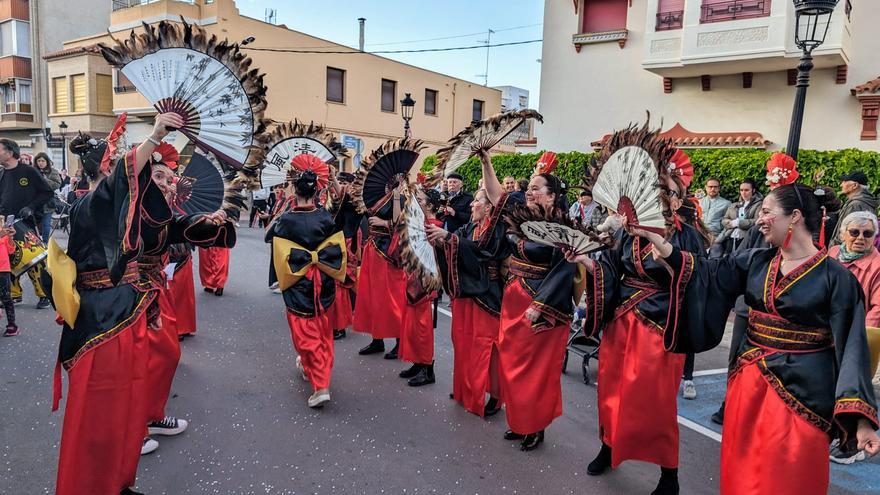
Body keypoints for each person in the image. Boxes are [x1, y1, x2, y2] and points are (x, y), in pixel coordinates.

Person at [637, 154, 880, 494]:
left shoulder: (837, 279)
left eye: (767, 212)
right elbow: (705, 272)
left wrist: (861, 421)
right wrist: (660, 242)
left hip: (804, 394)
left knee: (789, 477)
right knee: (743, 472)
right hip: (748, 386)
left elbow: (853, 348)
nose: (759, 219)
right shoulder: (756, 260)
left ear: (794, 216)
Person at [51, 112, 184, 495]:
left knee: (124, 410)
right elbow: (115, 186)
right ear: (108, 171)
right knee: (99, 415)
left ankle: (117, 482)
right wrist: (155, 136)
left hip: (123, 313)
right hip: (102, 322)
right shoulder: (92, 205)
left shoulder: (111, 209)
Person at [570, 141, 704, 495]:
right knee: (611, 391)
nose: (660, 198)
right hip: (622, 323)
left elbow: (698, 281)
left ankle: (669, 473)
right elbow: (611, 270)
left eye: (668, 193)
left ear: (677, 200)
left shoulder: (687, 237)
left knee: (655, 404)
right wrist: (588, 264)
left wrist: (671, 264)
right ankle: (609, 446)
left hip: (661, 329)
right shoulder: (627, 234)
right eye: (655, 190)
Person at [137, 147, 235, 454]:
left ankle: (151, 415)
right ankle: (131, 427)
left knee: (166, 352)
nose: (168, 183)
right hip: (125, 298)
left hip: (153, 288)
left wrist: (208, 221)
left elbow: (178, 226)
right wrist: (154, 136)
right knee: (134, 362)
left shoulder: (158, 213)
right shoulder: (122, 210)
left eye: (170, 178)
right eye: (159, 177)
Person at [484, 151, 578, 452]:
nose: (529, 191)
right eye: (529, 187)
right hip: (514, 297)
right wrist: (486, 161)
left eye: (536, 188)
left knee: (535, 369)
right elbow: (496, 195)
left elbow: (565, 269)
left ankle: (535, 425)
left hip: (541, 304)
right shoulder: (522, 216)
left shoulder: (563, 226)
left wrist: (540, 305)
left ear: (551, 196)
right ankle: (519, 419)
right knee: (511, 362)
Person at [428, 150, 510, 417]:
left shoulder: (496, 230)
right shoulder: (467, 229)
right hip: (466, 294)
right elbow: (458, 245)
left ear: (488, 208)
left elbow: (480, 251)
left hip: (487, 294)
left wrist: (449, 239)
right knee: (463, 344)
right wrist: (442, 242)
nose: (472, 205)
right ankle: (467, 389)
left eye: (476, 201)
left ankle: (493, 396)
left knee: (486, 348)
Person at [266, 165, 346, 408]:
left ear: (294, 189)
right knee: (322, 331)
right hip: (324, 281)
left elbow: (270, 237)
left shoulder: (287, 220)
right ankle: (309, 365)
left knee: (305, 334)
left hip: (299, 281)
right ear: (316, 191)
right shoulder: (325, 217)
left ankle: (321, 385)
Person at [827, 211, 880, 464]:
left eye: (868, 234)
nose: (860, 238)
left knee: (851, 390)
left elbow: (877, 310)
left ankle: (852, 446)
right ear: (843, 233)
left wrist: (857, 342)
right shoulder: (833, 254)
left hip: (855, 338)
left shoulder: (877, 266)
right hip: (826, 333)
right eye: (855, 232)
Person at [352, 177, 407, 359]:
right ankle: (377, 339)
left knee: (392, 297)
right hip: (372, 248)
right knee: (371, 296)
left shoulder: (402, 199)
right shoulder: (375, 197)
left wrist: (384, 222)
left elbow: (402, 225)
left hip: (388, 252)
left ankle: (400, 342)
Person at [397, 188, 442, 387]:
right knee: (414, 326)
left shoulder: (435, 227)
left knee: (424, 329)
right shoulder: (420, 223)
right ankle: (417, 362)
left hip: (427, 284)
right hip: (415, 280)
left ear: (430, 206)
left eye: (421, 200)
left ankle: (427, 368)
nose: (417, 202)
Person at [0, 138, 52, 309]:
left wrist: (31, 207)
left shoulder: (28, 171)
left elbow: (47, 192)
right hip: (6, 225)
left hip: (26, 223)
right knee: (10, 259)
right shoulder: (1, 173)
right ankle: (15, 293)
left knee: (33, 260)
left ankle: (44, 294)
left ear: (9, 152)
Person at [327, 171, 362, 340]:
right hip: (338, 240)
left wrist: (333, 180)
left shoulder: (357, 199)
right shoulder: (339, 198)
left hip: (349, 241)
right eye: (339, 182)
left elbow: (343, 194)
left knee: (340, 283)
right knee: (336, 284)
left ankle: (340, 325)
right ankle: (336, 323)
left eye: (343, 182)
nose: (340, 185)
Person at [712, 179, 762, 257]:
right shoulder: (734, 205)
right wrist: (730, 223)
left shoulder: (759, 204)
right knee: (726, 260)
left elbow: (757, 221)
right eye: (741, 190)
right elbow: (724, 219)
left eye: (746, 190)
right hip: (730, 237)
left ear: (753, 190)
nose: (743, 193)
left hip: (746, 239)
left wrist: (738, 223)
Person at [833, 171, 878, 246]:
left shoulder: (856, 205)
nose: (841, 185)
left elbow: (848, 233)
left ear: (854, 185)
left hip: (845, 252)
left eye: (844, 182)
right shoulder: (864, 202)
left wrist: (836, 251)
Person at [33, 152, 62, 243]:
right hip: (34, 203)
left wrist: (44, 179)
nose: (41, 163)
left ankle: (45, 243)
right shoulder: (33, 171)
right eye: (39, 161)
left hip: (47, 203)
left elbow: (57, 184)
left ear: (47, 161)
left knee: (46, 225)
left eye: (43, 161)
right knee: (34, 225)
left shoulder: (53, 171)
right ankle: (35, 243)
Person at [0, 218, 16, 337]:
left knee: (6, 298)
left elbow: (11, 250)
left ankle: (12, 325)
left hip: (3, 269)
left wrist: (10, 236)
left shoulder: (3, 232)